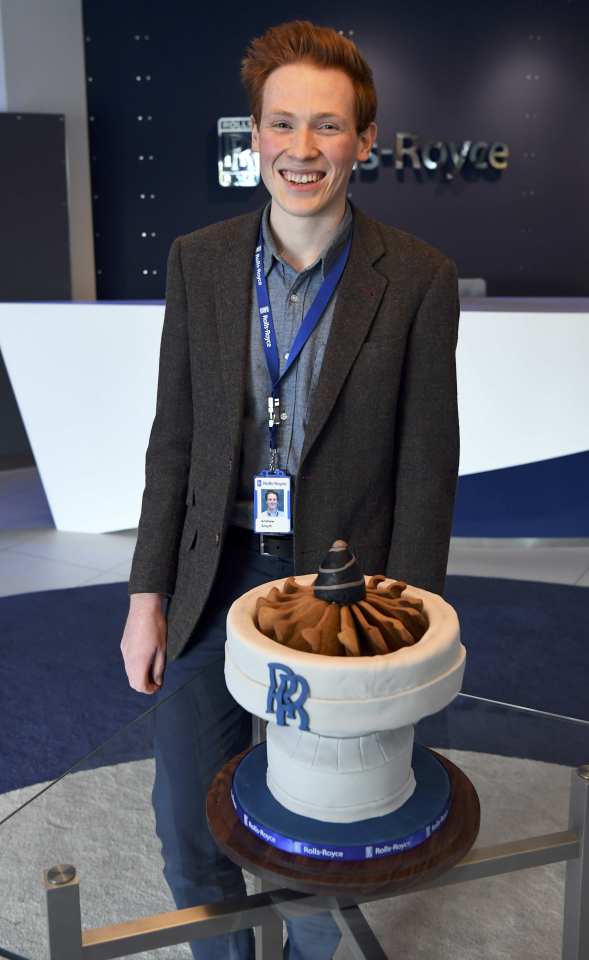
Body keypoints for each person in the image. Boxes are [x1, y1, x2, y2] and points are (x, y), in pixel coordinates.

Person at [121, 19, 459, 960]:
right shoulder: (200, 260)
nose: (300, 149)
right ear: (256, 135)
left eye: (325, 126)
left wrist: (413, 632)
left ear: (361, 142)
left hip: (338, 597)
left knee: (315, 835)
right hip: (209, 579)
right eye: (281, 124)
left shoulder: (418, 279)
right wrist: (145, 599)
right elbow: (173, 441)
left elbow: (429, 464)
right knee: (189, 829)